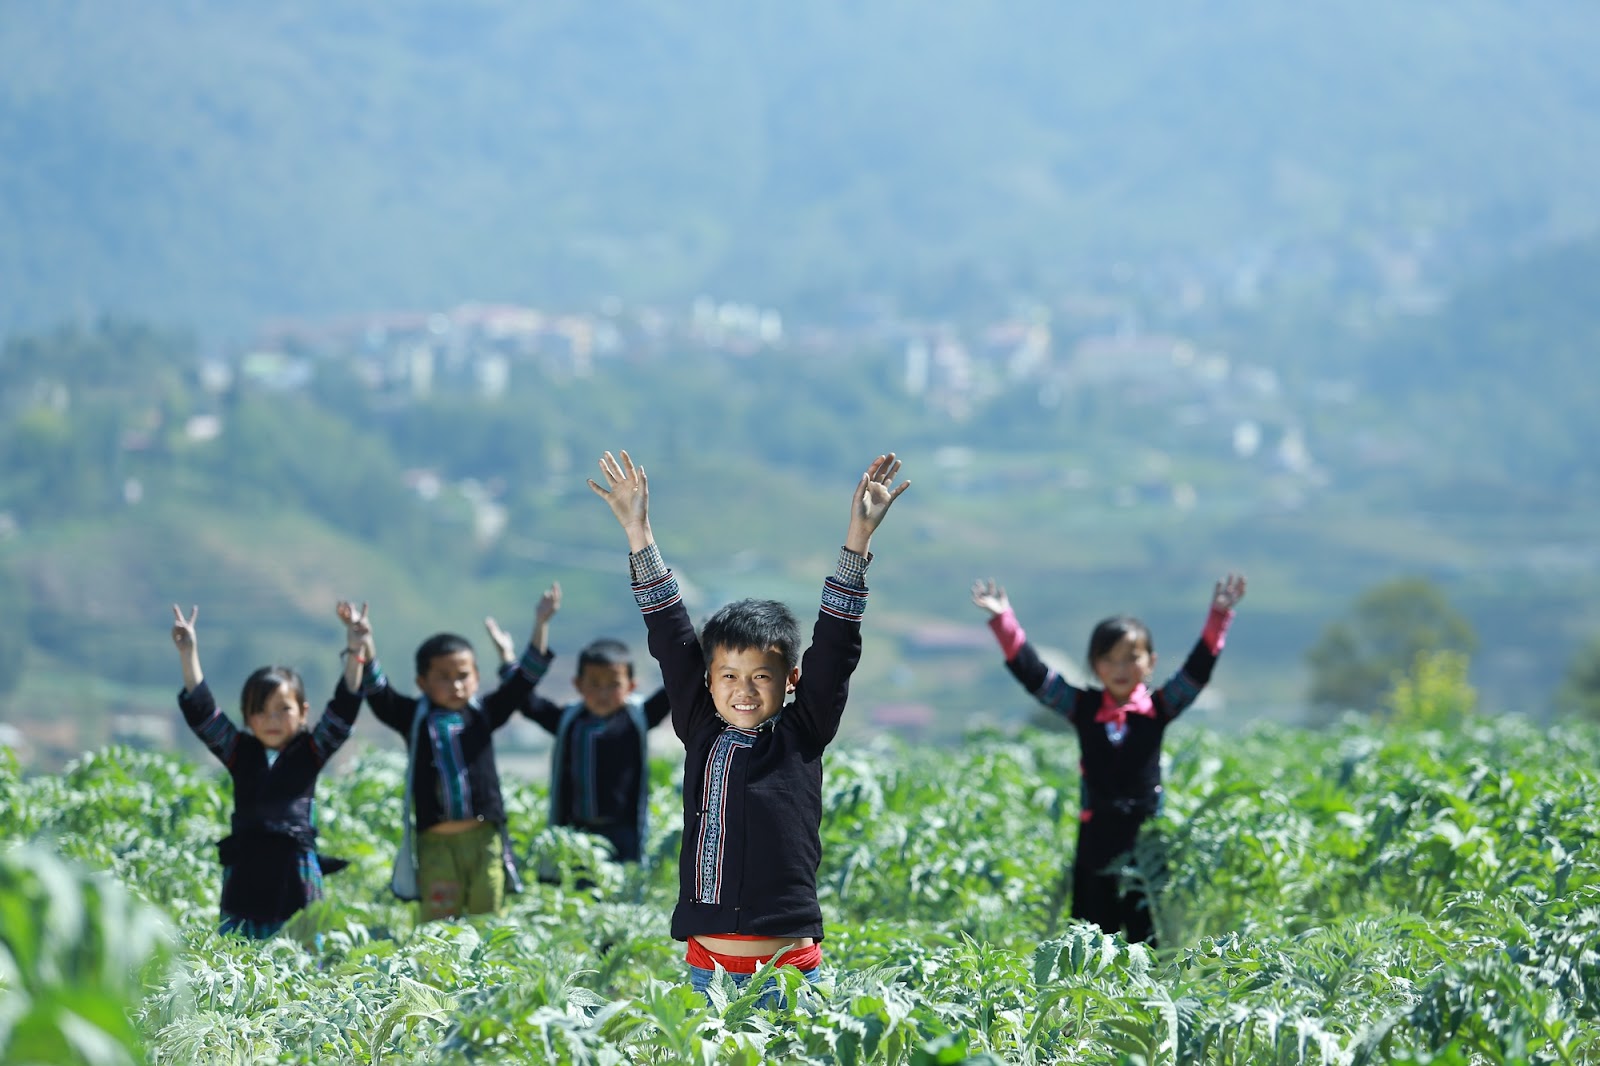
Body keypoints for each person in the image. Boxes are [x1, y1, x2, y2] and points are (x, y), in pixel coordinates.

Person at [589, 449, 909, 1002]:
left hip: (789, 978)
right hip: (706, 975)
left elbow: (835, 645)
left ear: (791, 679)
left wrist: (858, 539)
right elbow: (669, 632)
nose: (743, 689)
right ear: (708, 681)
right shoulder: (699, 726)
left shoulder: (804, 731)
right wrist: (638, 531)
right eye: (729, 674)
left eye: (762, 675)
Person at [970, 573, 1247, 945]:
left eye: (1131, 658)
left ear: (1150, 662)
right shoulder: (1081, 708)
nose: (1120, 669)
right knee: (1090, 936)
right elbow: (1034, 676)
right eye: (1109, 658)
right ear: (1095, 664)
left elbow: (1197, 670)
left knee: (1148, 937)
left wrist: (1220, 616)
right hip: (1095, 841)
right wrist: (1003, 621)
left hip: (1146, 840)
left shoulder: (1159, 709)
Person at [342, 588, 558, 921]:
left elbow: (524, 681)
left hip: (485, 841)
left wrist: (541, 623)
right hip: (436, 847)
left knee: (489, 920)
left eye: (463, 676)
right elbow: (378, 691)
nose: (455, 685)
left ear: (477, 678)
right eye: (443, 677)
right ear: (422, 681)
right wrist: (363, 643)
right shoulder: (414, 719)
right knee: (440, 927)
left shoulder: (485, 713)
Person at [170, 602, 369, 939]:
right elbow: (204, 716)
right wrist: (188, 653)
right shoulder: (239, 752)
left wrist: (355, 648)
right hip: (245, 871)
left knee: (303, 964)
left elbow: (344, 708)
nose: (272, 720)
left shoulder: (312, 750)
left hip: (296, 871)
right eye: (260, 711)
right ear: (247, 718)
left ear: (303, 712)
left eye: (283, 709)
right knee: (241, 961)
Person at [485, 600, 670, 870]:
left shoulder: (637, 719)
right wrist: (510, 657)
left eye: (613, 685)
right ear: (577, 685)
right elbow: (526, 701)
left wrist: (699, 645)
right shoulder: (568, 722)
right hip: (574, 833)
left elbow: (674, 691)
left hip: (622, 834)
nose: (603, 693)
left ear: (631, 686)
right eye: (594, 684)